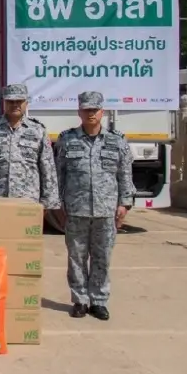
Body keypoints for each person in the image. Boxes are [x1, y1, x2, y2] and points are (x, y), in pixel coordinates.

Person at [55, 91, 130, 321]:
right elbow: (59, 173)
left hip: (106, 209)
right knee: (76, 257)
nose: (90, 114)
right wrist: (57, 203)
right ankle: (80, 300)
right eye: (86, 109)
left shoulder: (117, 140)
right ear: (79, 112)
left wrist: (124, 203)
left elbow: (124, 173)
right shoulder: (67, 139)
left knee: (102, 257)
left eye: (94, 110)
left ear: (102, 112)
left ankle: (99, 300)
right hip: (76, 208)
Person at [0, 83, 58, 206]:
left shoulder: (38, 130)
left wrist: (48, 203)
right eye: (10, 101)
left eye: (19, 101)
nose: (14, 105)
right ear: (4, 103)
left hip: (28, 201)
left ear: (26, 103)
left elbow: (47, 168)